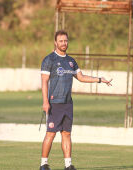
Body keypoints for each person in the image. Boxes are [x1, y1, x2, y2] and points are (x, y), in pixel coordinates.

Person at [39, 30, 112, 170]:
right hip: (54, 102)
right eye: (61, 41)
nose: (64, 43)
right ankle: (43, 164)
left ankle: (68, 165)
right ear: (55, 42)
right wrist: (45, 101)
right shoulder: (49, 60)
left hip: (68, 103)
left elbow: (81, 77)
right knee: (51, 133)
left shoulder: (71, 61)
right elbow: (44, 82)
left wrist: (99, 80)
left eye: (66, 41)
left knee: (66, 133)